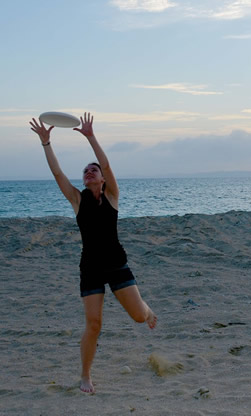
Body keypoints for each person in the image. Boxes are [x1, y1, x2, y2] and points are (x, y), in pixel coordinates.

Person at [29, 112, 157, 393]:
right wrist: (46, 143)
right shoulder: (77, 200)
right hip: (90, 269)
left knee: (138, 317)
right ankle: (85, 375)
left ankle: (147, 311)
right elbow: (57, 174)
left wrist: (91, 137)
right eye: (86, 170)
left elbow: (108, 164)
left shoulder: (112, 197)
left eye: (94, 170)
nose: (89, 171)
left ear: (102, 179)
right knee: (94, 323)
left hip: (117, 264)